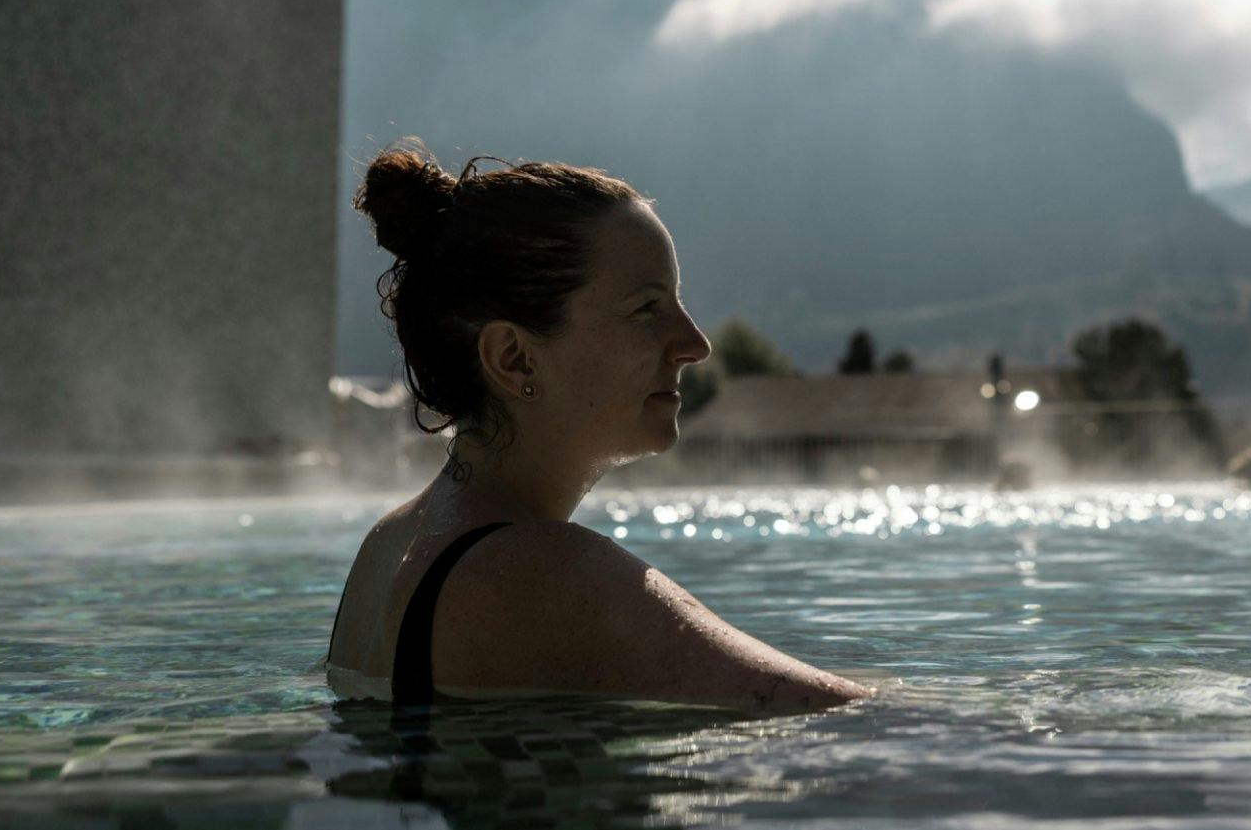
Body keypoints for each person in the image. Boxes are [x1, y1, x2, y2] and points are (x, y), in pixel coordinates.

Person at [324, 142, 872, 710]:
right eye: (647, 310)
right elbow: (863, 728)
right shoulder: (546, 575)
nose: (695, 344)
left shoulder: (388, 544)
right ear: (515, 358)